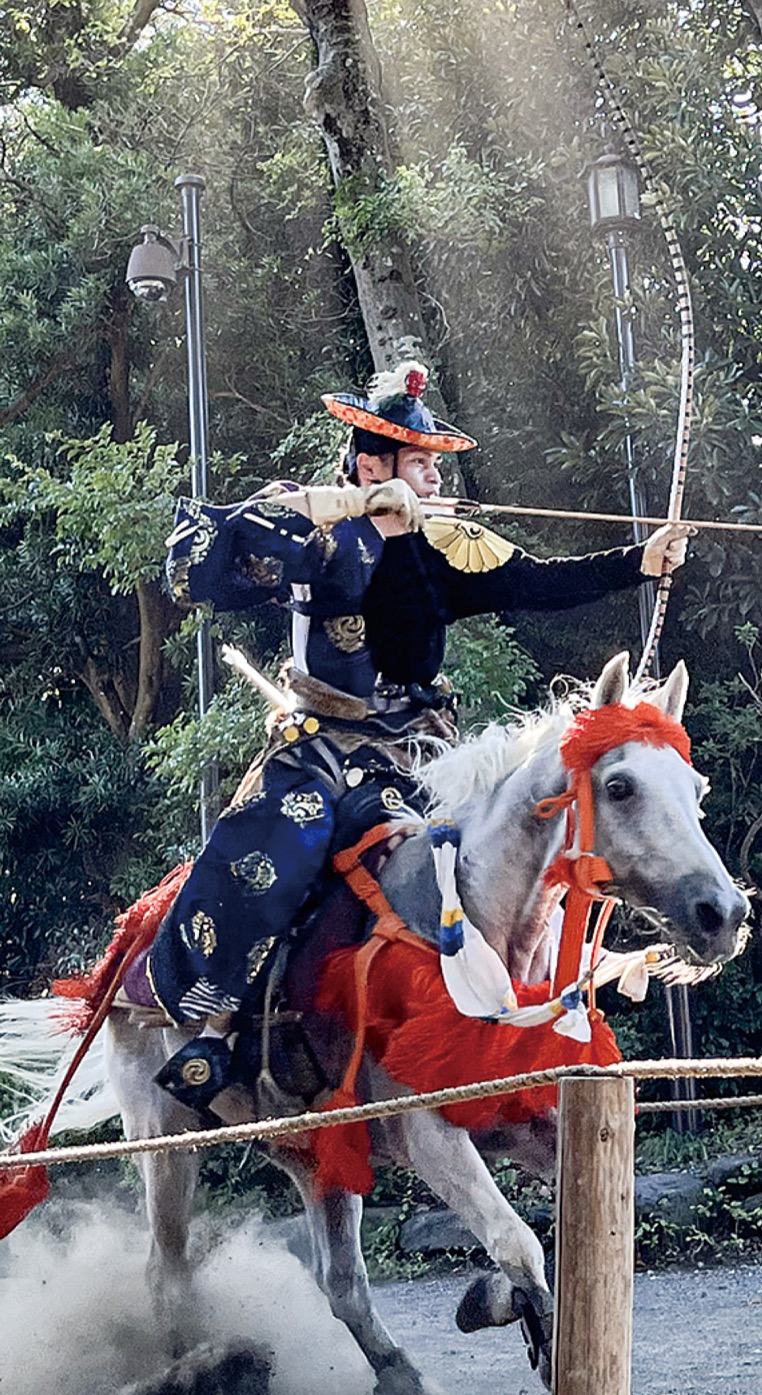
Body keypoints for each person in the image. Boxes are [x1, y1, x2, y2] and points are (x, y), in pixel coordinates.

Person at [139, 362, 688, 1109]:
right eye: (419, 464)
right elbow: (201, 557)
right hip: (322, 747)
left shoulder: (447, 547)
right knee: (283, 846)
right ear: (372, 463)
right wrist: (352, 507)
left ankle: (534, 1008)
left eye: (432, 465)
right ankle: (221, 1025)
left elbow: (535, 582)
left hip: (420, 756)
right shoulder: (316, 532)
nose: (433, 479)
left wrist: (637, 561)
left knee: (514, 842)